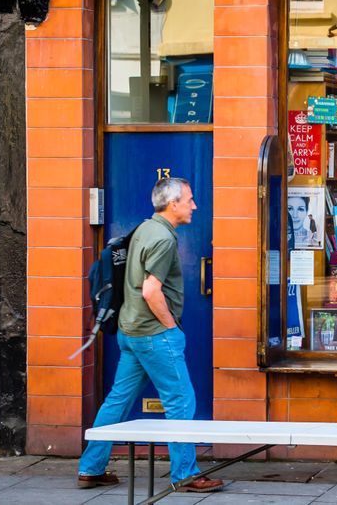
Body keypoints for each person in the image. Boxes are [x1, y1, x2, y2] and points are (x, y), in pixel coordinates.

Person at [77, 178, 223, 493]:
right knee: (181, 400)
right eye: (189, 200)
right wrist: (170, 327)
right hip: (154, 335)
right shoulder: (163, 239)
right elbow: (150, 290)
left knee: (117, 400)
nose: (194, 206)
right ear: (173, 204)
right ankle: (185, 473)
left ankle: (91, 468)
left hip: (131, 331)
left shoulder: (145, 228)